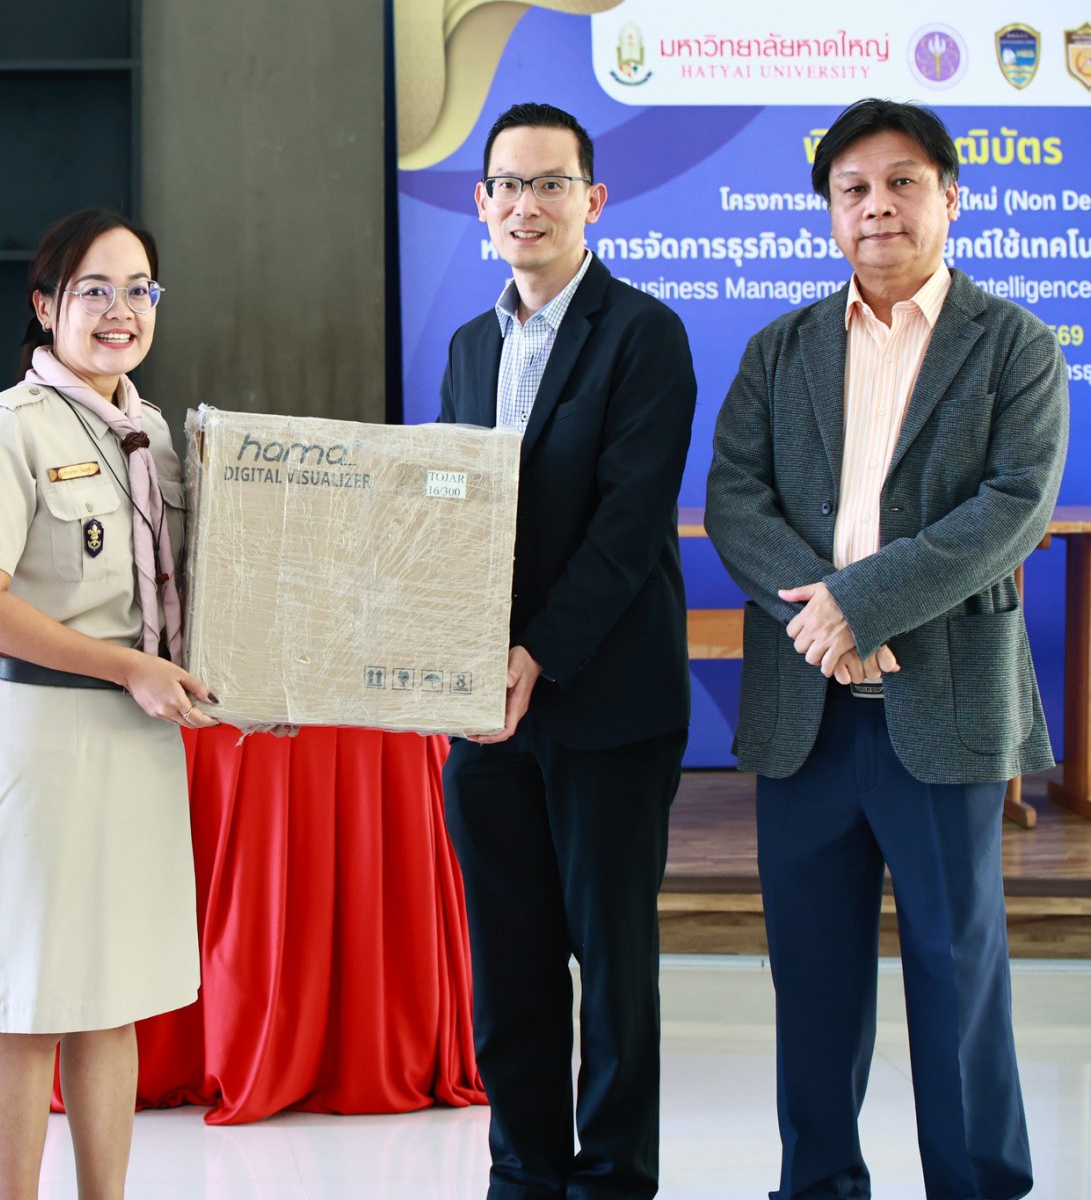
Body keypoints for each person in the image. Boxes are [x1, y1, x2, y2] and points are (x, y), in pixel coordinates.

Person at [704, 98, 1065, 1200]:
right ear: (829, 212)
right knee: (811, 980)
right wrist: (822, 622)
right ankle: (817, 1185)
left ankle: (978, 1186)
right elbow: (736, 501)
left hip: (943, 706)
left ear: (950, 197)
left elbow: (1013, 506)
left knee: (958, 975)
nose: (878, 207)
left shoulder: (1012, 344)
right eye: (852, 188)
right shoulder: (780, 350)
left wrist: (860, 605)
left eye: (903, 182)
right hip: (806, 709)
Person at [437, 102, 697, 1199]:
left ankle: (614, 1179)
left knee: (612, 961)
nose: (526, 204)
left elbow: (629, 527)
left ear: (593, 200)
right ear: (481, 203)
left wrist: (536, 653)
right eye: (508, 184)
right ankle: (524, 1172)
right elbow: (450, 517)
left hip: (604, 699)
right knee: (511, 960)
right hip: (483, 708)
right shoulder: (470, 345)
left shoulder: (643, 334)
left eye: (551, 184)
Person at [0, 208, 209, 1200]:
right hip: (42, 733)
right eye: (94, 289)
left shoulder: (157, 433)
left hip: (136, 734)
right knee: (31, 1002)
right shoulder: (5, 428)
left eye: (140, 289)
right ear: (47, 305)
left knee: (113, 996)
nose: (119, 310)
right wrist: (123, 667)